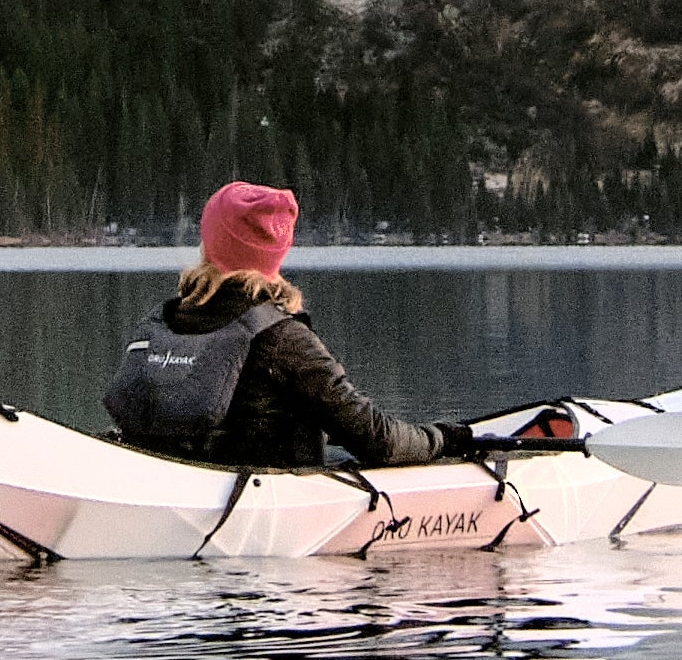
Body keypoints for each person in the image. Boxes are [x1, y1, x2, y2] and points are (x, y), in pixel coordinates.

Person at [105, 181, 472, 470]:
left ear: (209, 242)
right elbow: (377, 440)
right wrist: (441, 438)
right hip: (261, 498)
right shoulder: (281, 338)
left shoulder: (168, 320)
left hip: (179, 477)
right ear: (276, 251)